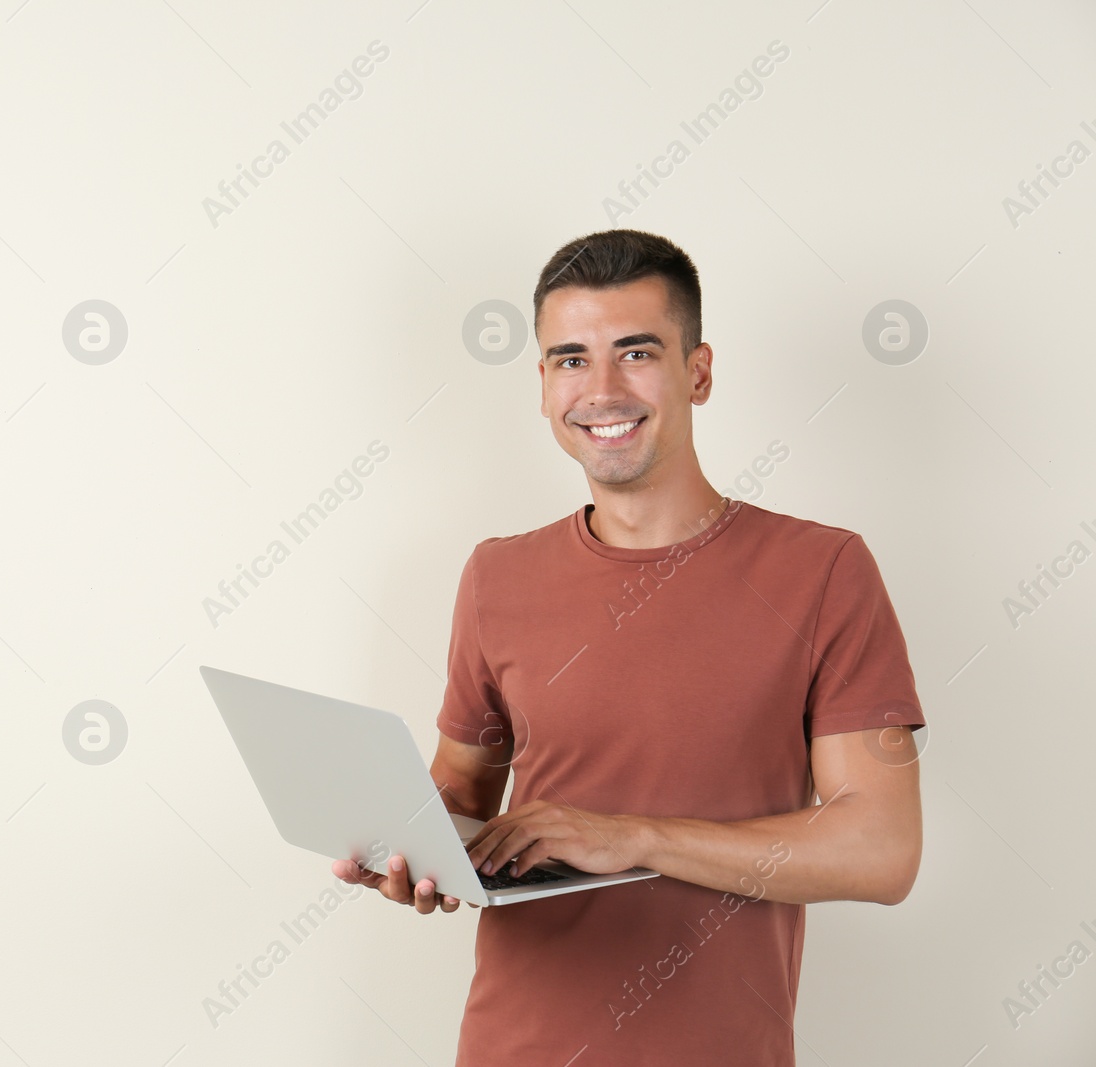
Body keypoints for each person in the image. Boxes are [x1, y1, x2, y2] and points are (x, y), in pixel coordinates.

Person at [333, 229, 925, 1066]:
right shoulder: (496, 574)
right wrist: (405, 843)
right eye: (570, 358)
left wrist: (635, 836)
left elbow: (883, 849)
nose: (601, 388)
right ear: (542, 386)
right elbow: (463, 783)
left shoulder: (823, 570)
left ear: (699, 370)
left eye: (635, 352)